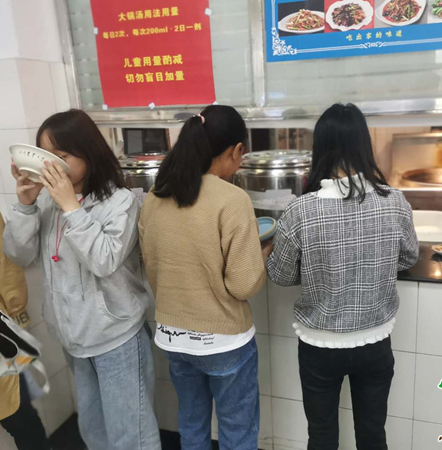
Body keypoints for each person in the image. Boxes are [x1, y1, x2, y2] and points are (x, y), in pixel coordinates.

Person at [3, 110, 161, 450]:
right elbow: (19, 255)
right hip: (73, 337)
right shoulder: (47, 202)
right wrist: (26, 205)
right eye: (45, 155)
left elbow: (103, 260)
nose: (51, 165)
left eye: (61, 156)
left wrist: (72, 208)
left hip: (116, 336)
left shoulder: (120, 201)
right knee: (92, 429)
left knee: (131, 435)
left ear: (88, 154)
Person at [267, 103, 419, 450]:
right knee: (372, 435)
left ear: (320, 147)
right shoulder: (395, 201)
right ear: (364, 144)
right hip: (375, 339)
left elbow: (280, 274)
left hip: (319, 344)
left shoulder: (300, 210)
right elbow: (409, 257)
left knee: (321, 437)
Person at [139, 105, 267, 450]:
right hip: (223, 341)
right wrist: (262, 256)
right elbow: (242, 285)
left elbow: (153, 267)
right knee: (237, 430)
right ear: (236, 150)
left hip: (173, 337)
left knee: (192, 423)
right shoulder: (232, 199)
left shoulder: (155, 196)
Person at [0, 182, 50, 450]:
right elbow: (2, 268)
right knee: (17, 409)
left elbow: (3, 267)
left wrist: (15, 314)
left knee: (16, 404)